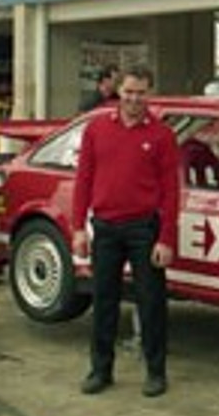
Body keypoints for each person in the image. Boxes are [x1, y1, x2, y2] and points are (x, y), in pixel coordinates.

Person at [72, 64, 179, 398]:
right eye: (129, 92)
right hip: (105, 227)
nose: (134, 99)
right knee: (103, 301)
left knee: (151, 303)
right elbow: (83, 181)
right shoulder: (96, 129)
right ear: (119, 91)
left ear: (150, 93)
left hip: (144, 229)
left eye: (141, 93)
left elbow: (171, 192)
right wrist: (78, 228)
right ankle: (100, 370)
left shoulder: (162, 135)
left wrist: (166, 238)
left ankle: (156, 372)